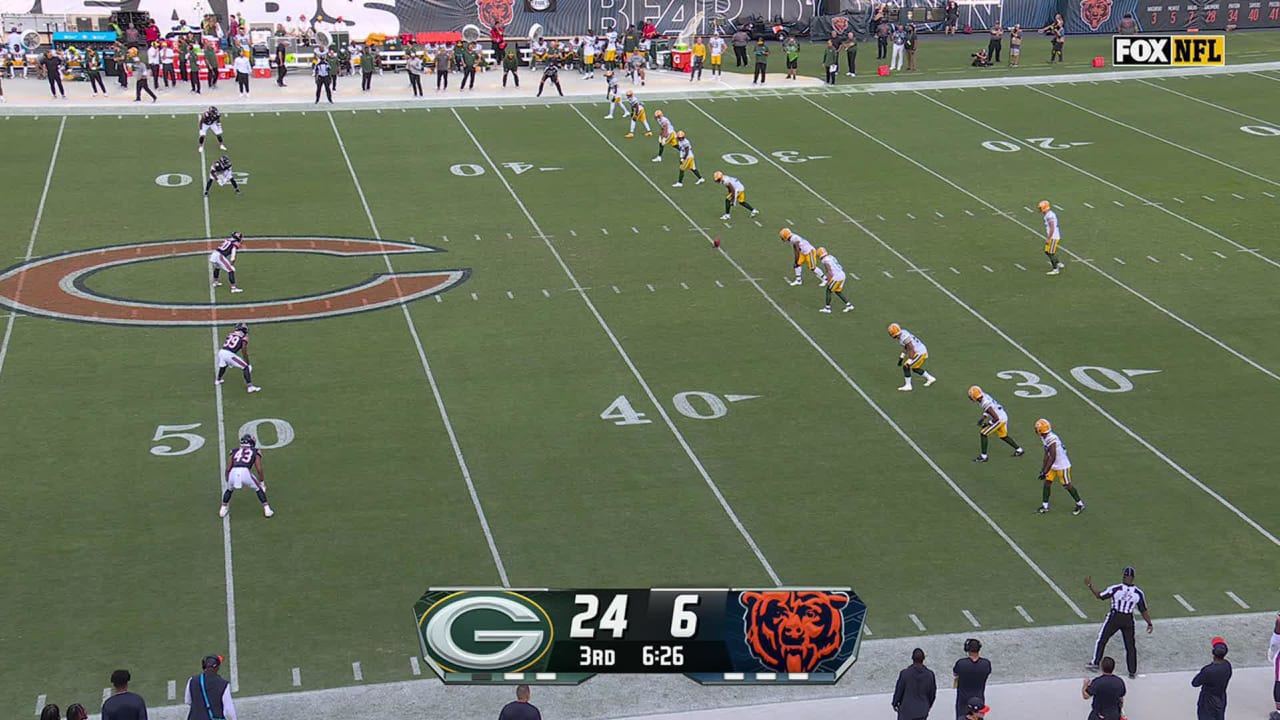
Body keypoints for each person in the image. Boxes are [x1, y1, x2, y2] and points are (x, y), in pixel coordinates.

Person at [1086, 566, 1151, 676]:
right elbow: (1143, 610)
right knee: (1130, 646)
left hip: (1115, 617)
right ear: (1133, 578)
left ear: (1124, 576)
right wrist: (1149, 623)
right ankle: (1132, 671)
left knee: (1102, 639)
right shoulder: (1138, 593)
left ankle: (1095, 663)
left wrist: (1090, 585)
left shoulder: (1116, 588)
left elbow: (1099, 596)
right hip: (1128, 619)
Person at [1036, 418, 1085, 515]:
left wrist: (1045, 470)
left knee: (1067, 485)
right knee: (1047, 483)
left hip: (1062, 465)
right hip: (1052, 464)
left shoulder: (1051, 439)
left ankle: (1080, 504)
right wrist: (1043, 469)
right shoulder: (1044, 437)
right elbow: (1047, 453)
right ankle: (1045, 506)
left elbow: (1053, 456)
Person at [220, 433, 273, 517]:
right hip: (245, 471)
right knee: (258, 488)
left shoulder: (234, 451)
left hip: (233, 471)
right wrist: (262, 482)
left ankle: (223, 509)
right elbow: (259, 469)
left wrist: (228, 478)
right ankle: (267, 509)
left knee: (229, 489)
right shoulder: (255, 451)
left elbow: (228, 468)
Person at [968, 387, 1024, 462]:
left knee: (983, 433)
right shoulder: (983, 396)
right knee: (1003, 436)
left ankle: (984, 456)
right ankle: (1019, 450)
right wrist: (983, 418)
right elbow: (989, 409)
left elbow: (995, 418)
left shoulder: (985, 402)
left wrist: (987, 424)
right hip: (1003, 415)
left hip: (999, 419)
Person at [184, 655, 237, 720]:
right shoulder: (224, 684)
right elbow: (229, 711)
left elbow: (188, 701)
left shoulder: (192, 680)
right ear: (217, 668)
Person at [1191, 638, 1232, 720]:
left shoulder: (1208, 670)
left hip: (1208, 701)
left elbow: (1195, 683)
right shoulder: (1227, 665)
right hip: (1221, 698)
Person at [215, 322, 262, 394]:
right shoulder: (244, 337)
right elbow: (243, 350)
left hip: (221, 352)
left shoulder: (231, 334)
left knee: (223, 365)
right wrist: (248, 363)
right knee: (245, 367)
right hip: (229, 354)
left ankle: (218, 380)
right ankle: (250, 387)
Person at [888, 323, 936, 391]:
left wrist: (910, 360)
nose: (896, 337)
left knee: (906, 366)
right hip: (918, 351)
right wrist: (901, 357)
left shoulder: (904, 337)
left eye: (896, 336)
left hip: (920, 352)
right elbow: (906, 347)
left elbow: (911, 348)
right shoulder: (903, 333)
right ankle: (930, 378)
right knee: (915, 368)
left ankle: (908, 386)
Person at [892, 648, 937, 720]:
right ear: (923, 659)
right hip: (922, 711)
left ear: (912, 658)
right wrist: (927, 705)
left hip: (906, 711)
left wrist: (895, 703)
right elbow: (932, 694)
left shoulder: (905, 673)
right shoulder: (930, 674)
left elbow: (899, 690)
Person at [953, 638, 992, 719]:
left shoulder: (961, 663)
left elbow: (955, 673)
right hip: (979, 698)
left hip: (963, 699)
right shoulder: (986, 664)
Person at [817, 247, 854, 314]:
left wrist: (828, 280)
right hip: (842, 274)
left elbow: (829, 271)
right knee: (837, 291)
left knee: (828, 290)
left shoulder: (825, 260)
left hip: (837, 277)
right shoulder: (830, 256)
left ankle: (827, 308)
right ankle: (849, 305)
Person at [1038, 200, 1065, 274]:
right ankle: (1058, 263)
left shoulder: (1049, 215)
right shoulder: (1048, 214)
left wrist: (1048, 238)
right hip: (1053, 236)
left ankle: (1055, 269)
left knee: (1050, 252)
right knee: (1047, 251)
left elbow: (1052, 227)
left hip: (1053, 237)